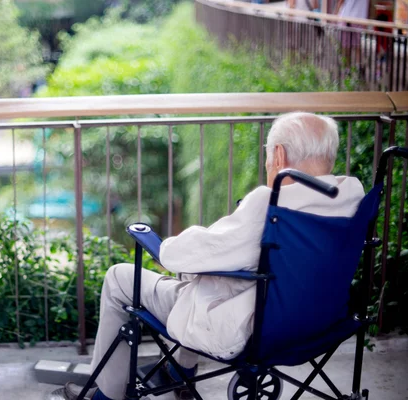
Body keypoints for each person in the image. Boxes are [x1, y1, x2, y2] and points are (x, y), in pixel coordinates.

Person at [56, 112, 365, 400]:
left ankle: (106, 394)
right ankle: (180, 369)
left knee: (120, 277)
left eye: (268, 154)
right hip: (318, 323)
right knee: (207, 279)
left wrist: (165, 246)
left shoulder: (271, 206)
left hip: (253, 329)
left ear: (280, 155)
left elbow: (182, 256)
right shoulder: (352, 199)